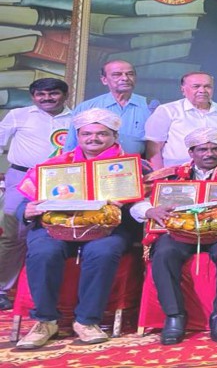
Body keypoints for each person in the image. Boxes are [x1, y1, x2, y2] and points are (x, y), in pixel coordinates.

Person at [15, 109, 139, 349]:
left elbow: (143, 208)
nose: (94, 138)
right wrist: (26, 211)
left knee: (102, 252)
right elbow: (23, 205)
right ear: (78, 136)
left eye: (102, 134)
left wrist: (125, 205)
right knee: (43, 251)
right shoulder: (53, 165)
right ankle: (45, 321)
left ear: (115, 136)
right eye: (87, 134)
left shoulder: (133, 167)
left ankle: (86, 321)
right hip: (56, 227)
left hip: (107, 230)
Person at [134, 128, 217, 344]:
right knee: (164, 252)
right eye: (202, 149)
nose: (209, 154)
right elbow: (139, 201)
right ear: (191, 152)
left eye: (215, 149)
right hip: (178, 234)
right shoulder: (170, 175)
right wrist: (149, 211)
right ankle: (174, 316)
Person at [0, 79, 72, 311]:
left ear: (65, 95)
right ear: (33, 96)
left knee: (53, 232)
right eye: (41, 94)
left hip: (63, 181)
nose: (47, 98)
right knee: (13, 235)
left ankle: (41, 292)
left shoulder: (77, 118)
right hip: (21, 179)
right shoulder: (18, 115)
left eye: (53, 94)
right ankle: (2, 289)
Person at [145, 72, 217, 170]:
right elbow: (154, 147)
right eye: (196, 86)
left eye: (207, 86)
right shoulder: (167, 110)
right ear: (183, 89)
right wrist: (158, 175)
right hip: (175, 175)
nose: (202, 90)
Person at [64, 60, 150, 156]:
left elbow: (157, 146)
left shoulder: (149, 107)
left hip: (139, 166)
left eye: (130, 74)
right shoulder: (86, 108)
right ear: (104, 80)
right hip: (95, 167)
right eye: (117, 74)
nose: (125, 78)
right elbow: (71, 147)